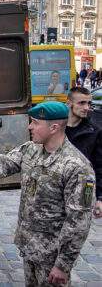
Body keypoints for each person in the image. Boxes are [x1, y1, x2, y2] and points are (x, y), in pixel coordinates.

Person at [0, 101, 95, 287]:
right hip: (30, 247)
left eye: (35, 122)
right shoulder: (31, 149)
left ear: (54, 127)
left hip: (52, 257)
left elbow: (79, 221)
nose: (29, 126)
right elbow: (2, 164)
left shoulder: (77, 167)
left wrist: (63, 265)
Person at [65, 87, 102, 219]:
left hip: (85, 188)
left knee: (79, 228)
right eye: (81, 103)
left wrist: (100, 198)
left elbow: (100, 166)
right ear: (69, 103)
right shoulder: (56, 128)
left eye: (89, 103)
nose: (86, 107)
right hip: (57, 188)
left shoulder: (94, 131)